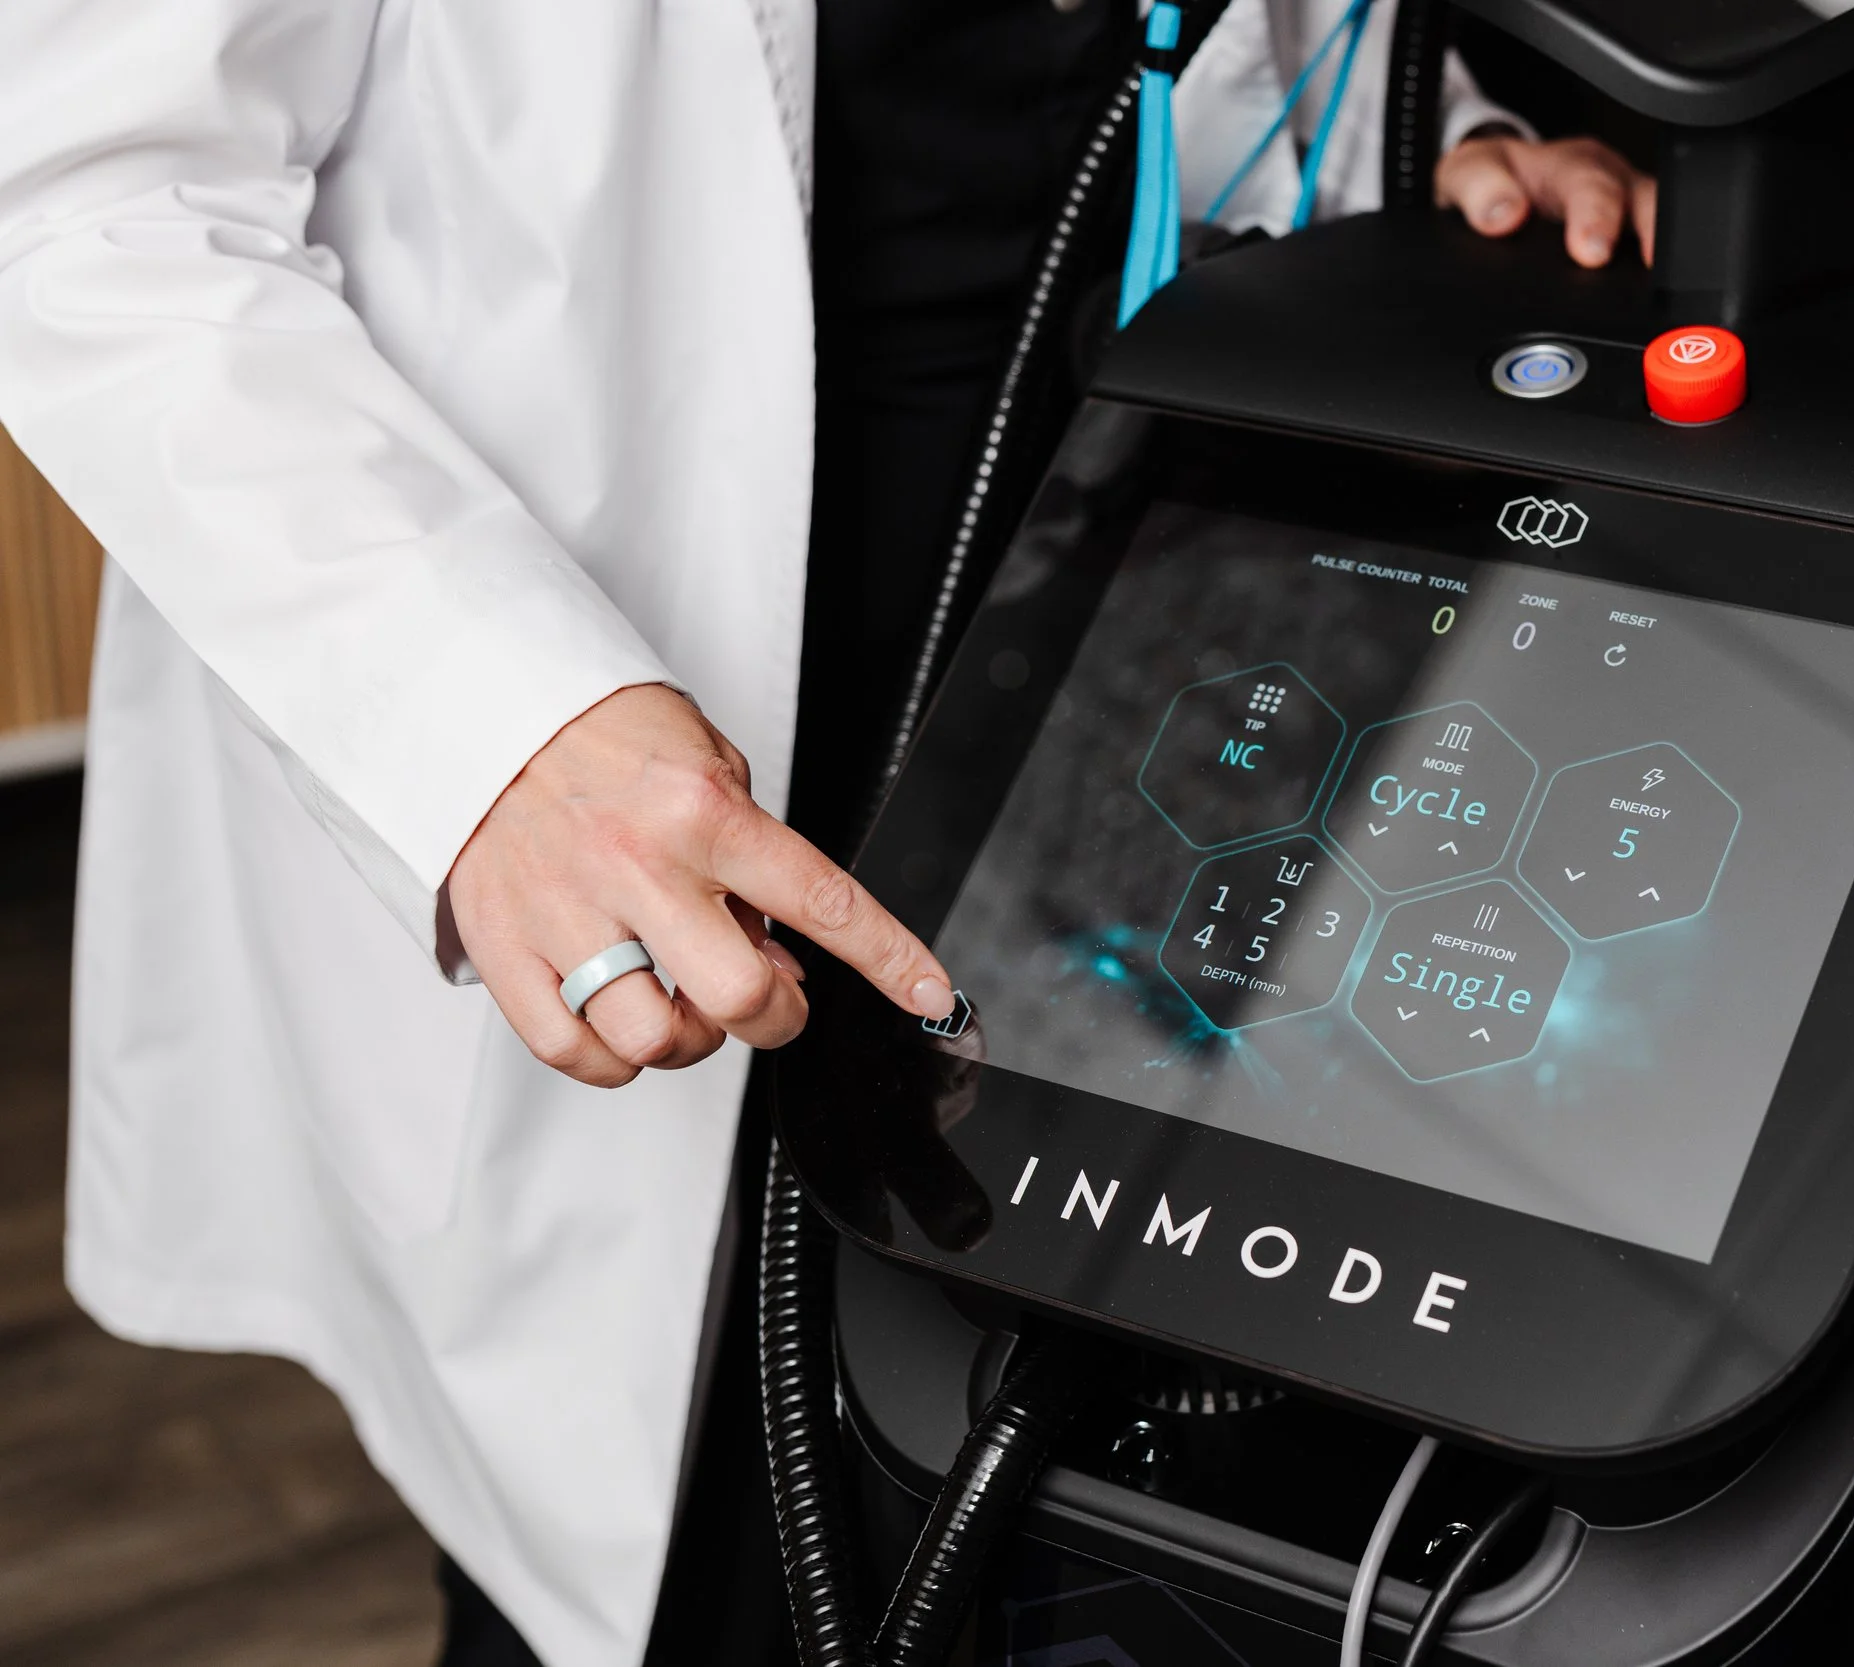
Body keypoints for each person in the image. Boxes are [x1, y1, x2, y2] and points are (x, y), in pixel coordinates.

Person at [0, 2, 1654, 1662]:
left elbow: (1237, 55)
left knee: (1021, 1494)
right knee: (678, 1529)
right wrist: (487, 721)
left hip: (1104, 694)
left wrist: (1428, 166)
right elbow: (88, 197)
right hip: (601, 699)